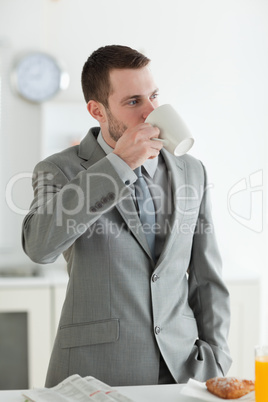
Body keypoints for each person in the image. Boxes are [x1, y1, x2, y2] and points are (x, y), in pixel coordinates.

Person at [22, 45, 232, 387]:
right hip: (96, 374)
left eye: (154, 96)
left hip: (184, 371)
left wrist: (217, 358)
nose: (151, 112)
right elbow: (39, 247)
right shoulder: (59, 169)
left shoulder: (192, 171)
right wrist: (118, 166)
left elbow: (207, 277)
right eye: (134, 102)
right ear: (97, 111)